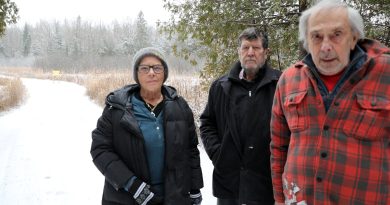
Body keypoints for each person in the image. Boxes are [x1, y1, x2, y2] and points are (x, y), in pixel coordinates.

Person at [270, 0, 390, 204]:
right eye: (316, 37)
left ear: (353, 38)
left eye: (336, 35)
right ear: (307, 42)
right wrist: (280, 200)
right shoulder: (289, 80)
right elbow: (279, 147)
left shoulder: (385, 74)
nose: (325, 47)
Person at [91, 47, 204, 205]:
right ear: (136, 74)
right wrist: (132, 185)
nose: (151, 73)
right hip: (127, 197)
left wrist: (194, 187)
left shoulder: (180, 106)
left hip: (173, 196)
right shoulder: (116, 108)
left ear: (164, 72)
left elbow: (191, 149)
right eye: (144, 68)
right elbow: (100, 149)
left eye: (157, 68)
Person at [200, 27, 282, 205]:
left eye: (256, 48)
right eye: (245, 48)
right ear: (239, 51)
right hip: (230, 182)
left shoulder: (281, 84)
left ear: (265, 52)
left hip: (266, 182)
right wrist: (218, 153)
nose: (250, 53)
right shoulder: (220, 86)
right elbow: (207, 123)